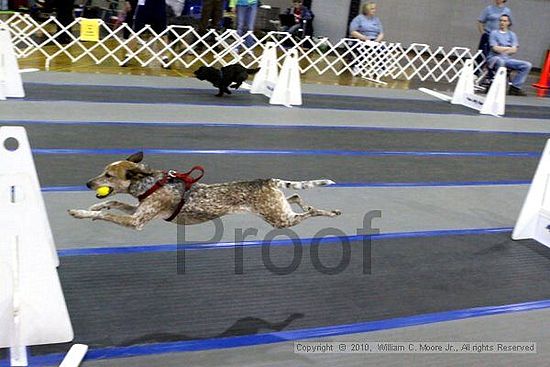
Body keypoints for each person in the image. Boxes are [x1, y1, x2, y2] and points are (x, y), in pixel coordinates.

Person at [487, 14, 532, 96]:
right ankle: (496, 85)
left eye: (504, 21)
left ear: (508, 23)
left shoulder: (512, 35)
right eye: (500, 20)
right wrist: (508, 48)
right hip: (494, 58)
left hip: (507, 59)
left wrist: (502, 48)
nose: (502, 22)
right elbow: (495, 49)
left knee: (527, 65)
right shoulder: (494, 33)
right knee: (500, 61)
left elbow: (514, 50)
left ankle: (515, 87)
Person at [123, 0, 170, 67]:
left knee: (162, 34)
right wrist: (127, 1)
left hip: (159, 9)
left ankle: (164, 58)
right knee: (135, 33)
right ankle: (128, 56)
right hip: (143, 8)